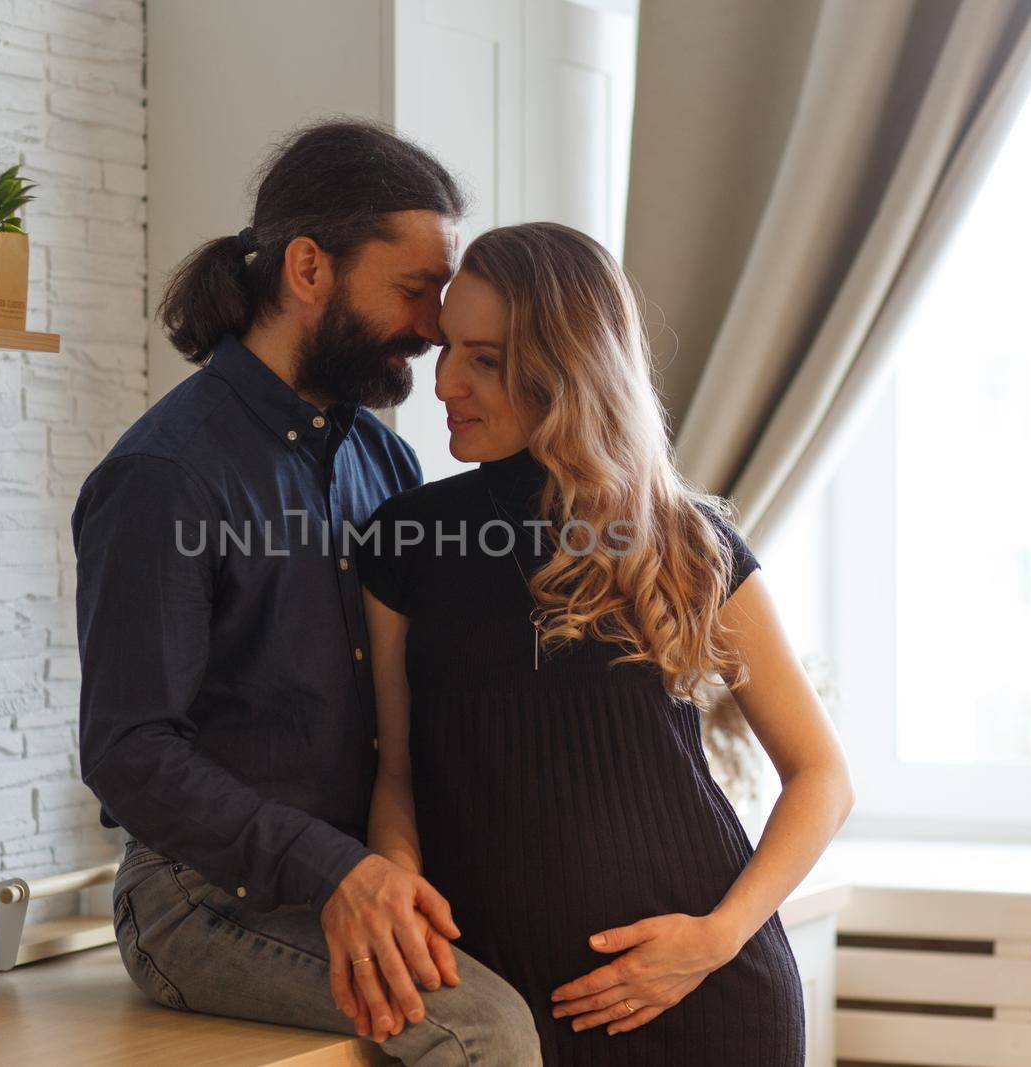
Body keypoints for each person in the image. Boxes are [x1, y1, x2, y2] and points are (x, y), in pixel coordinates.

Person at [72, 120, 541, 1064]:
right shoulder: (167, 474)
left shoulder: (385, 459)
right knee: (484, 1032)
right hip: (198, 900)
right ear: (308, 269)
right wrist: (338, 872)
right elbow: (127, 751)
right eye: (413, 290)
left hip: (361, 870)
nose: (430, 328)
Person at [355, 222, 855, 1064]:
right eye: (447, 349)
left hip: (708, 1001)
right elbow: (397, 775)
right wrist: (398, 886)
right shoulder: (407, 540)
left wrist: (717, 937)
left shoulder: (683, 540)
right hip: (506, 1010)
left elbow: (823, 775)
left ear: (567, 367)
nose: (444, 382)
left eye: (485, 358)